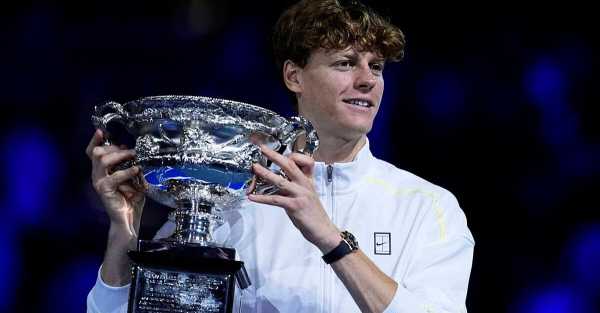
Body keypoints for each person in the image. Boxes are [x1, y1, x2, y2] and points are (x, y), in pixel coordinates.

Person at [86, 0, 475, 312]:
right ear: (294, 77)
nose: (368, 80)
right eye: (345, 63)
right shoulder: (231, 196)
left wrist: (332, 241)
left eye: (376, 67)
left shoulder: (428, 208)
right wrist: (125, 232)